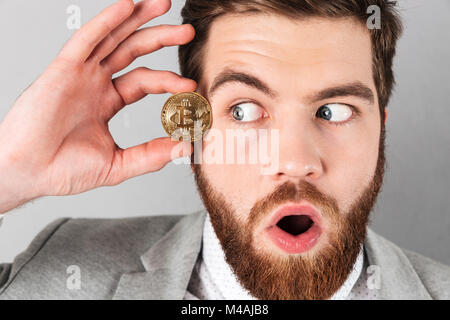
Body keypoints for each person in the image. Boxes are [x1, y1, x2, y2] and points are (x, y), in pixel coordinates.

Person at [0, 0, 448, 300]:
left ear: (380, 133)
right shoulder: (61, 269)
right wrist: (8, 174)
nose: (294, 161)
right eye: (246, 110)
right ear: (194, 128)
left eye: (333, 111)